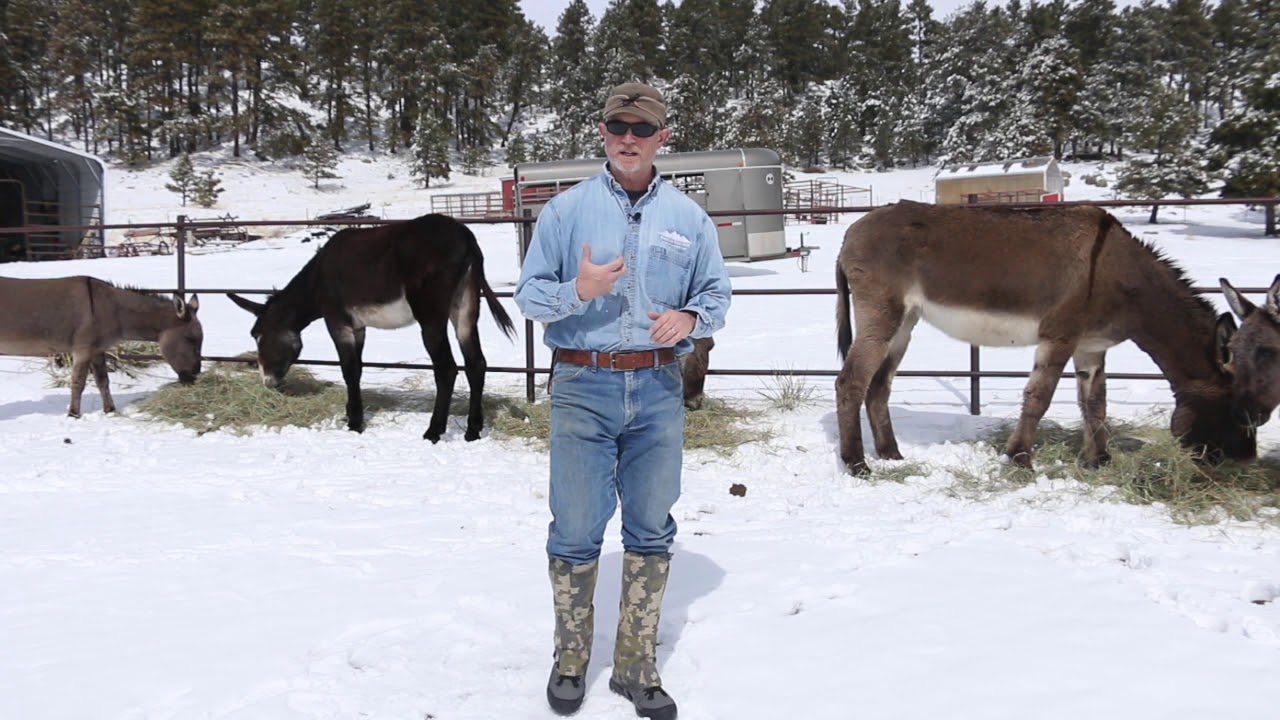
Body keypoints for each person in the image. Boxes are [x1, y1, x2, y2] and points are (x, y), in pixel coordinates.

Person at [514, 81, 731, 720]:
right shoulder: (565, 212)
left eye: (642, 128)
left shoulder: (688, 218)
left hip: (660, 388)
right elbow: (528, 298)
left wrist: (692, 316)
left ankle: (636, 666)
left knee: (651, 526)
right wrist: (577, 291)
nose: (629, 139)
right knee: (577, 527)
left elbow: (717, 294)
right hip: (584, 384)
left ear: (664, 136)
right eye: (618, 127)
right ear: (603, 133)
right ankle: (572, 659)